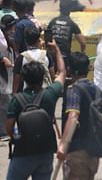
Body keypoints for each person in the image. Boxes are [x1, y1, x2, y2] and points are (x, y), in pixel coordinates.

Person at [6, 40, 65, 180]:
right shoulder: (50, 94)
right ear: (42, 77)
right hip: (46, 151)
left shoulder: (17, 99)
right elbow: (62, 72)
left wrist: (16, 135)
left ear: (24, 78)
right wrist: (57, 50)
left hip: (23, 152)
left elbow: (9, 127)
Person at [59, 52, 102, 180]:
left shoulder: (74, 90)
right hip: (93, 153)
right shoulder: (98, 91)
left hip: (77, 153)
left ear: (70, 70)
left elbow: (73, 116)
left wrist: (63, 146)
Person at [13, 27, 54, 93]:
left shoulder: (21, 57)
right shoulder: (46, 55)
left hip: (27, 93)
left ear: (26, 40)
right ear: (38, 40)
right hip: (44, 93)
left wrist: (14, 93)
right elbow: (52, 75)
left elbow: (16, 79)